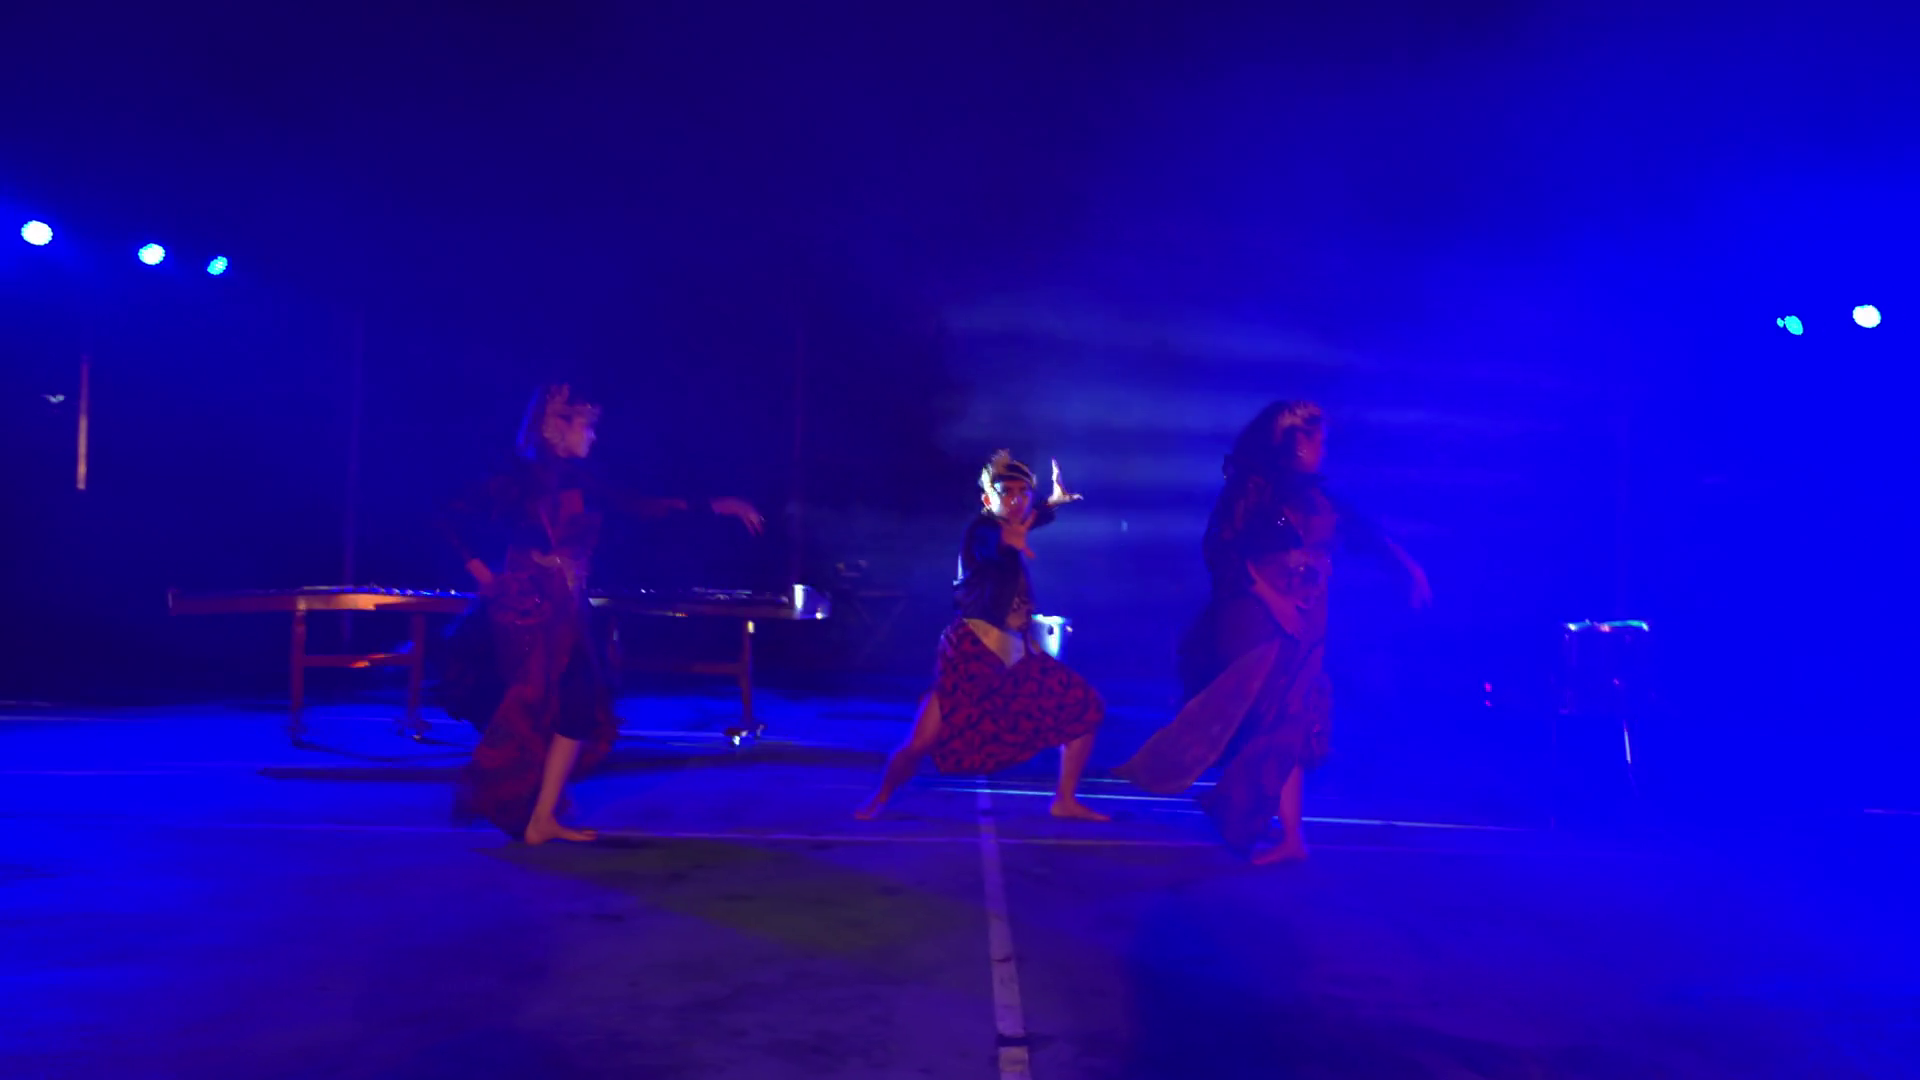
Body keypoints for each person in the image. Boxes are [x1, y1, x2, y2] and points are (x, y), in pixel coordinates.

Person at [438, 383, 763, 844]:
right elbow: (448, 516)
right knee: (538, 703)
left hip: (566, 608)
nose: (593, 436)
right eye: (586, 426)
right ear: (557, 426)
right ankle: (528, 809)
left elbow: (642, 506)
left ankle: (541, 818)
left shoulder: (582, 479)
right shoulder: (519, 477)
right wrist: (485, 572)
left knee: (580, 701)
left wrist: (717, 506)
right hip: (529, 610)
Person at [1116, 400, 1430, 863]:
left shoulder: (1319, 498)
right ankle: (1258, 818)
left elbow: (1365, 533)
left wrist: (1406, 567)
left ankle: (1291, 837)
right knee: (1270, 716)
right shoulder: (1255, 490)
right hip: (1261, 618)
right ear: (1292, 442)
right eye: (1315, 439)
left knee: (1294, 719)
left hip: (1307, 616)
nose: (1322, 448)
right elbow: (1226, 549)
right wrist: (1272, 597)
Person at [855, 450, 1109, 822]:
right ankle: (880, 796)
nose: (1017, 500)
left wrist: (1052, 502)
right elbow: (996, 541)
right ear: (988, 499)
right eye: (1008, 493)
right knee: (921, 741)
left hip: (1019, 655)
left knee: (1083, 707)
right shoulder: (982, 531)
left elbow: (1027, 519)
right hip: (972, 654)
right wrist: (1012, 539)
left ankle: (1065, 800)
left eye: (1023, 492)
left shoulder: (1017, 522)